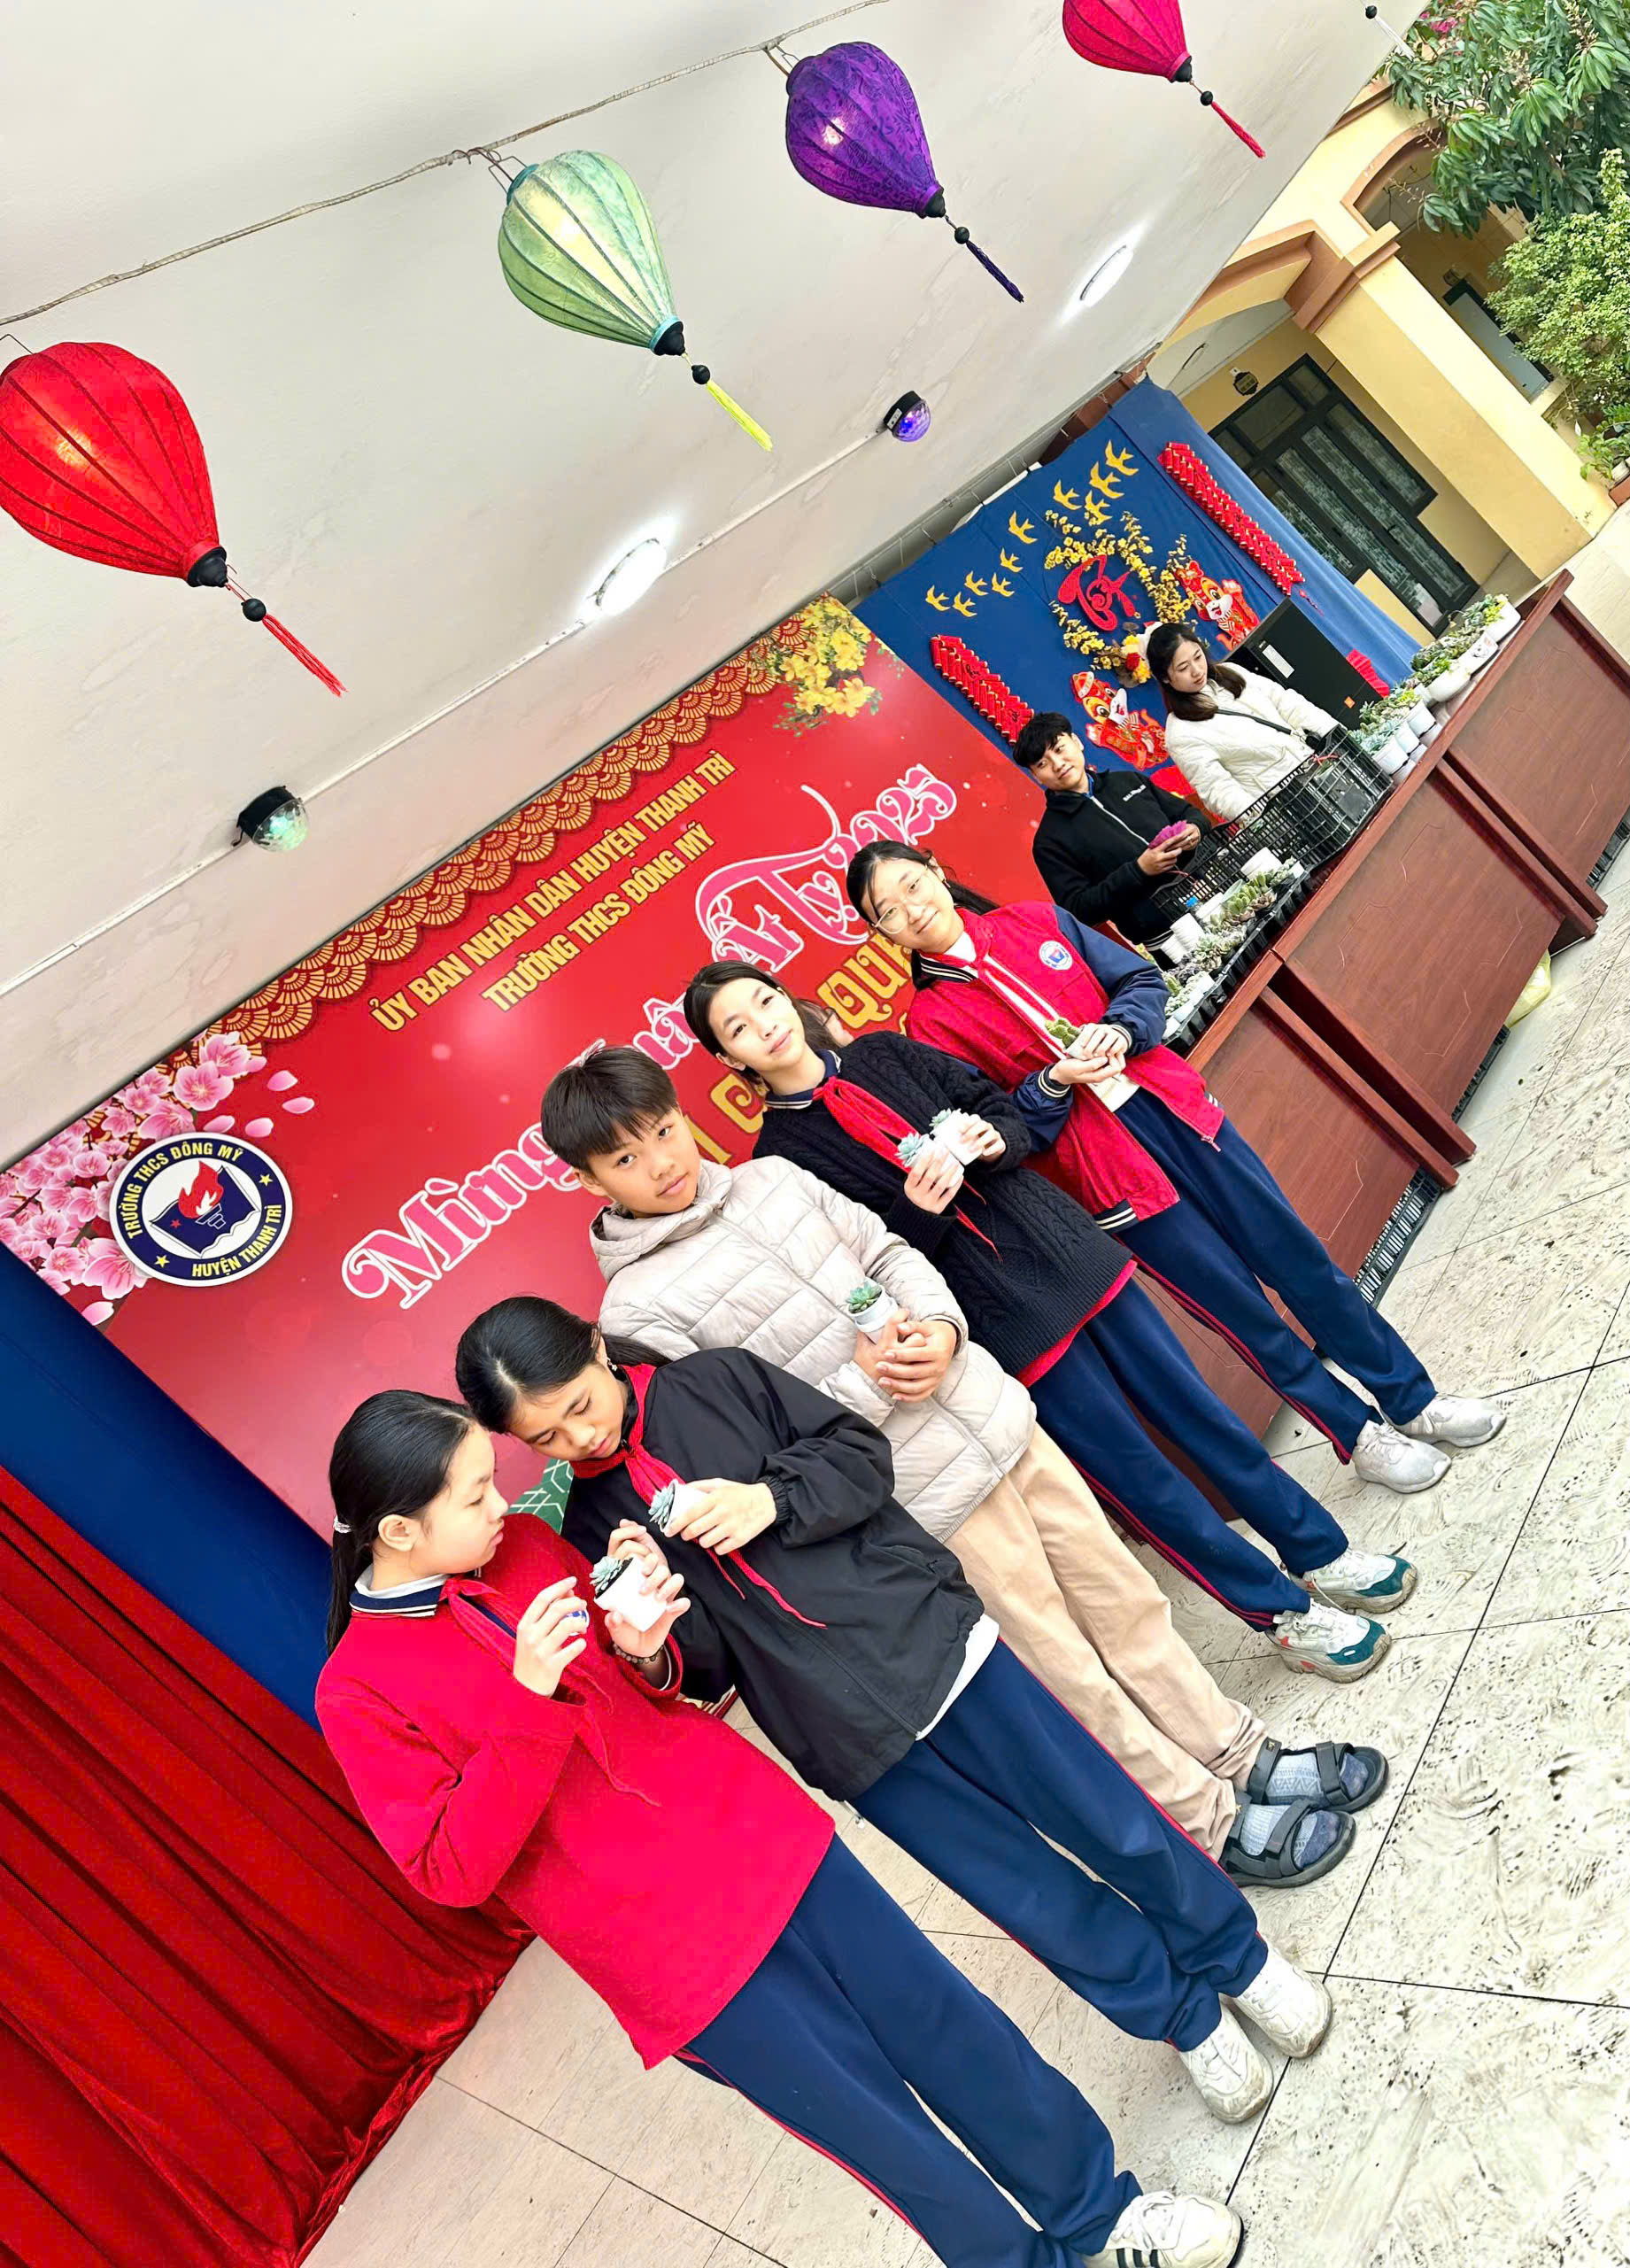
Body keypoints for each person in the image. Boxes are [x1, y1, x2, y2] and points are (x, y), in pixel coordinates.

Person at [316, 1389, 1248, 2268]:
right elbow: (450, 1868)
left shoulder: (522, 1546)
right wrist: (527, 1700)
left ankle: (1101, 2209)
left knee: (954, 2028)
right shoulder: (356, 1690)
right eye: (475, 1494)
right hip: (671, 1952)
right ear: (398, 1530)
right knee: (883, 2135)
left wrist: (643, 1643)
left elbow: (649, 1687)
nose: (501, 1505)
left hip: (764, 1838)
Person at [452, 1305, 1336, 2141]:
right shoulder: (590, 1525)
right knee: (1026, 1893)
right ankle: (1180, 2017)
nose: (578, 1439)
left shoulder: (714, 1381)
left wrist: (767, 1499)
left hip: (938, 1644)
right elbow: (705, 1667)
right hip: (845, 1736)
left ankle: (1238, 1956)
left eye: (579, 1406)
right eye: (546, 1438)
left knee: (1108, 1817)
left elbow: (859, 1456)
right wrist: (650, 1641)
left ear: (597, 1349)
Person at [539, 1044, 1387, 1885]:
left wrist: (942, 1330)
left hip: (993, 1416)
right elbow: (739, 1447)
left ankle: (1240, 1752)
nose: (662, 1162)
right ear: (587, 1179)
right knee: (1065, 1666)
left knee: (1129, 1604)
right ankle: (1210, 1822)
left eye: (663, 1130)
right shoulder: (636, 1311)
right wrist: (864, 1386)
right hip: (915, 1495)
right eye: (626, 1158)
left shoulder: (772, 1178)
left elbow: (890, 1254)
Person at [683, 960, 1410, 1681]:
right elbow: (861, 1271)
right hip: (1002, 1321)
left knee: (1204, 1418)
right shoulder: (780, 1161)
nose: (765, 1026)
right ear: (728, 1059)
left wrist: (993, 1138)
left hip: (1073, 1255)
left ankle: (1320, 1551)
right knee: (1139, 1477)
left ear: (785, 997)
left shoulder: (883, 1052)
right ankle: (1280, 1613)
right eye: (738, 1029)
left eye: (763, 1001)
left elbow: (1002, 1110)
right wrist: (916, 1212)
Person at [841, 840, 1506, 1498]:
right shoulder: (929, 1023)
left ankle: (1413, 1398)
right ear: (881, 934)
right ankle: (1359, 1436)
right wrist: (1052, 1082)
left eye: (911, 884)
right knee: (1241, 1314)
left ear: (936, 870)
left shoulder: (1035, 922)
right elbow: (1003, 1130)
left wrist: (1121, 1028)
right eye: (888, 911)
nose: (912, 909)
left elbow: (1138, 980)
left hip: (1178, 1115)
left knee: (1302, 1264)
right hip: (1108, 1174)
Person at [1014, 709, 1216, 945]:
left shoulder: (1128, 780)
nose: (1058, 765)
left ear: (1077, 742)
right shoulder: (1049, 841)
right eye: (1042, 764)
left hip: (1213, 890)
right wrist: (1139, 871)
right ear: (1036, 776)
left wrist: (1195, 828)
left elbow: (1190, 814)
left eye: (1059, 749)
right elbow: (1079, 909)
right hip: (1166, 936)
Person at [1147, 623, 1334, 822]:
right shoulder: (1180, 733)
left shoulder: (1230, 672)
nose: (1196, 670)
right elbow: (1219, 789)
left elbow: (1286, 702)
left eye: (1198, 656)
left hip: (1316, 767)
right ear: (1165, 678)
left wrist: (1334, 732)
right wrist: (1261, 819)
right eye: (1183, 668)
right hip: (1287, 805)